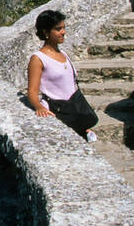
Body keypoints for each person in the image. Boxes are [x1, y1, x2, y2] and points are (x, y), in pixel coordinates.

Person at [26, 10, 97, 142]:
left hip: (72, 114)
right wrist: (39, 107)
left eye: (64, 28)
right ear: (46, 32)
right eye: (58, 29)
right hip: (58, 114)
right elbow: (32, 91)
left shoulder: (64, 54)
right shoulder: (38, 59)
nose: (63, 32)